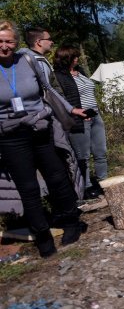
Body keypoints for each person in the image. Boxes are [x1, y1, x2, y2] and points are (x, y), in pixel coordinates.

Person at [0, 20, 87, 257]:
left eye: (9, 41)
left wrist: (71, 110)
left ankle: (71, 224)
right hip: (10, 137)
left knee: (57, 177)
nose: (5, 46)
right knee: (28, 188)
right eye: (0, 41)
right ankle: (43, 238)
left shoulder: (27, 61)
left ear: (16, 43)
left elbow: (49, 90)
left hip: (40, 128)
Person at [52, 46, 108, 200]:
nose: (77, 59)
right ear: (65, 58)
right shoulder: (59, 77)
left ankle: (104, 183)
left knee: (100, 152)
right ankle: (86, 188)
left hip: (95, 115)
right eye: (74, 56)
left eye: (77, 56)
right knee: (82, 156)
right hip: (79, 119)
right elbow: (62, 100)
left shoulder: (81, 72)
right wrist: (77, 113)